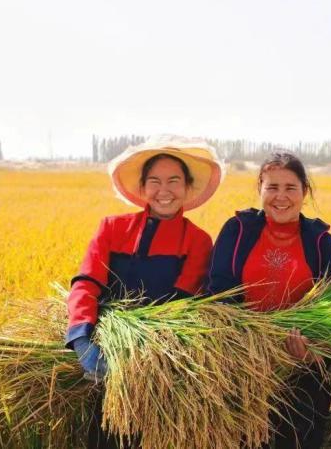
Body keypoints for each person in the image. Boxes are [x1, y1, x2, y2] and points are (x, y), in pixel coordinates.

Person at [65, 135, 224, 448]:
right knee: (105, 436)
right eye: (154, 181)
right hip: (105, 358)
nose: (164, 191)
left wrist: (147, 357)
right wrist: (82, 338)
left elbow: (181, 306)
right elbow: (87, 283)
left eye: (174, 181)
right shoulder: (111, 228)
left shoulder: (198, 241)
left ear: (188, 187)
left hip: (163, 365)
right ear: (142, 188)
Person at [208, 151, 331, 449]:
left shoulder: (321, 242)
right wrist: (251, 342)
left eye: (290, 188)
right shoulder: (238, 231)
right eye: (272, 187)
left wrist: (314, 353)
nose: (280, 197)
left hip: (303, 381)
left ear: (304, 192)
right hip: (243, 375)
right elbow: (217, 294)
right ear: (260, 189)